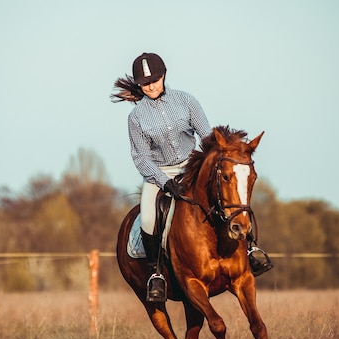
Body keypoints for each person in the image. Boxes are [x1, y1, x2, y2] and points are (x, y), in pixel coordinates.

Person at [112, 52, 271, 302]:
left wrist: (217, 158)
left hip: (191, 165)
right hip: (160, 174)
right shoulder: (136, 117)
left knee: (226, 194)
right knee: (149, 217)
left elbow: (206, 136)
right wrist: (164, 182)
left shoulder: (186, 101)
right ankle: (156, 275)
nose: (151, 86)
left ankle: (251, 248)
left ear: (164, 76)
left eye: (155, 80)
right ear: (139, 85)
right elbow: (141, 157)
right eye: (145, 83)